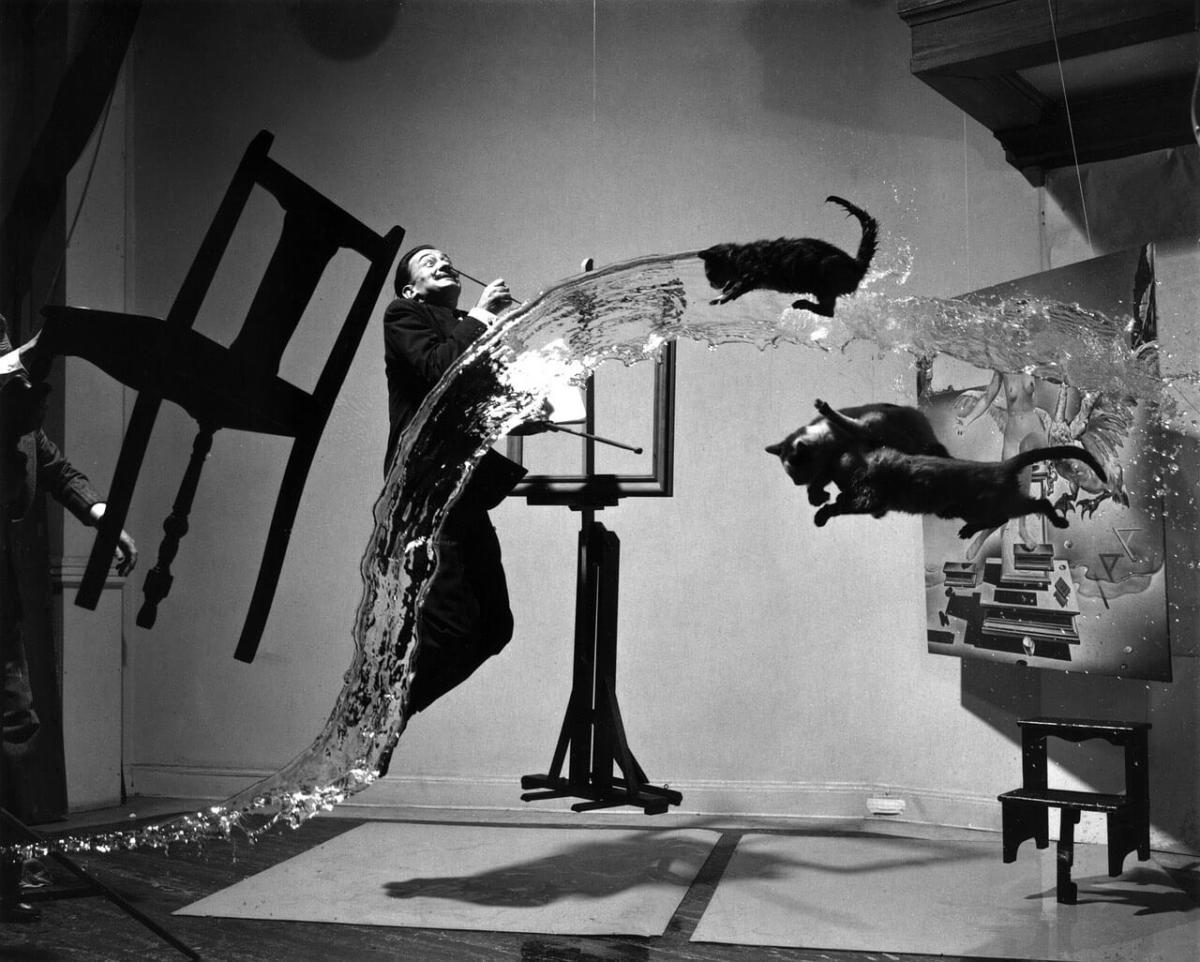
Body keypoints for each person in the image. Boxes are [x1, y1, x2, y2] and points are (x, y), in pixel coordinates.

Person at [0, 315, 137, 922]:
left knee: (15, 721)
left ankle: (7, 874)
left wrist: (102, 517)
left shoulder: (22, 424)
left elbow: (57, 470)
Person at [382, 245, 526, 715]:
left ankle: (390, 710)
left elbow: (486, 402)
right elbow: (437, 370)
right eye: (428, 262)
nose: (442, 262)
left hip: (462, 490)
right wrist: (482, 316)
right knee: (453, 625)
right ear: (410, 289)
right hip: (425, 488)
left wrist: (534, 410)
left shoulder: (470, 327)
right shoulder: (403, 314)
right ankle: (383, 710)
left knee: (494, 628)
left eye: (445, 258)